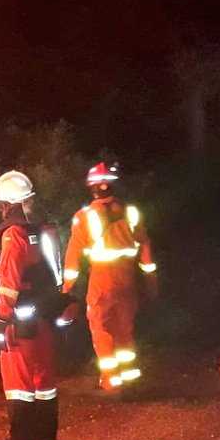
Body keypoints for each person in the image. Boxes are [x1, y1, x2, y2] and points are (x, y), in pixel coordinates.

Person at [0, 170, 73, 440]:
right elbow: (56, 275)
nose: (0, 208)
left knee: (18, 383)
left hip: (21, 322)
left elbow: (9, 284)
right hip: (47, 317)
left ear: (8, 204)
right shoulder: (45, 230)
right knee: (44, 379)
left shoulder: (14, 235)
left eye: (1, 203)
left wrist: (1, 318)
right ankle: (45, 437)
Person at [62, 161, 157, 392]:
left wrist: (66, 289)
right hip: (128, 280)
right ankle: (129, 377)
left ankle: (111, 380)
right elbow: (145, 248)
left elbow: (73, 256)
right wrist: (151, 282)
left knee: (101, 328)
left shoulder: (83, 217)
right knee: (124, 328)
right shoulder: (131, 213)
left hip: (101, 281)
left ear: (91, 187)